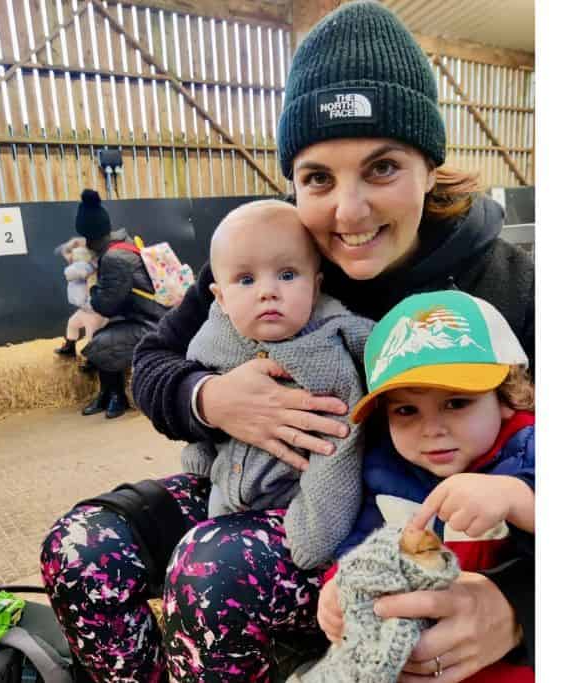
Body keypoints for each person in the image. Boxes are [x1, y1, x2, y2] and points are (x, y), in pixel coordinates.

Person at [41, 2, 535, 681]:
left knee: (212, 570)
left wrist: (518, 607)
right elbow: (151, 362)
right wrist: (210, 398)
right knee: (80, 546)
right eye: (318, 178)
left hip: (372, 528)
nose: (349, 211)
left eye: (383, 167)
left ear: (430, 163)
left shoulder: (507, 289)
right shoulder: (271, 258)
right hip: (240, 487)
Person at [315, 290, 535, 683]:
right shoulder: (385, 469)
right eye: (406, 410)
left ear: (507, 397)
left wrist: (519, 498)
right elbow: (364, 544)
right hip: (415, 658)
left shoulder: (527, 449)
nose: (432, 429)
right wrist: (339, 587)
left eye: (456, 402)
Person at [181, 199, 372, 570]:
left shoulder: (329, 349)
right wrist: (200, 457)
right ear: (220, 297)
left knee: (217, 568)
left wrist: (312, 536)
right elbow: (192, 376)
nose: (267, 291)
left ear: (316, 286)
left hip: (293, 502)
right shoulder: (214, 335)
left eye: (287, 275)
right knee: (202, 551)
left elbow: (340, 450)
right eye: (246, 280)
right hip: (224, 487)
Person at [73, 188, 167, 419]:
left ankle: (116, 396)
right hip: (153, 314)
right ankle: (107, 393)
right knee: (105, 334)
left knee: (103, 341)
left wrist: (93, 288)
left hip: (154, 324)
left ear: (91, 238)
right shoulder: (125, 243)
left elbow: (106, 305)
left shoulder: (114, 258)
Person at [53, 236, 108, 357]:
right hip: (85, 308)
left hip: (93, 310)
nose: (69, 257)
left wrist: (71, 258)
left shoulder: (87, 266)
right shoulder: (84, 266)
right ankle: (70, 347)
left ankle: (93, 359)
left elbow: (72, 273)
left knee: (91, 335)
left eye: (72, 252)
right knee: (72, 323)